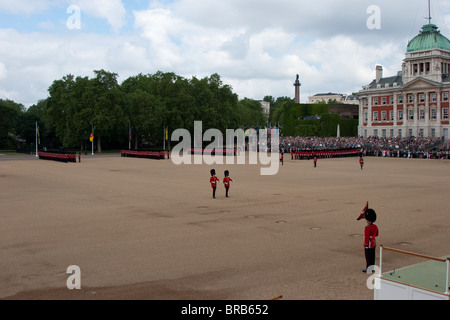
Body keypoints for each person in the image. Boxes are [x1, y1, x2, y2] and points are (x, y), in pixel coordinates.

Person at [362, 208, 379, 273]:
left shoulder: (367, 227)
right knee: (372, 256)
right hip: (373, 242)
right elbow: (377, 234)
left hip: (369, 243)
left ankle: (368, 269)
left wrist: (366, 244)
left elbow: (366, 237)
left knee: (368, 256)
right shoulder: (375, 226)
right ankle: (372, 268)